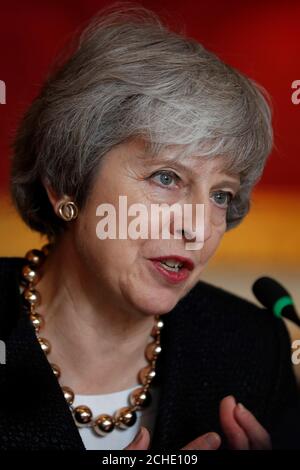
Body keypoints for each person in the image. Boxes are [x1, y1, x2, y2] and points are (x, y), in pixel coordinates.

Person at [0, 4, 298, 450]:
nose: (197, 228)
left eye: (221, 195)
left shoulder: (256, 350)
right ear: (65, 184)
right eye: (166, 178)